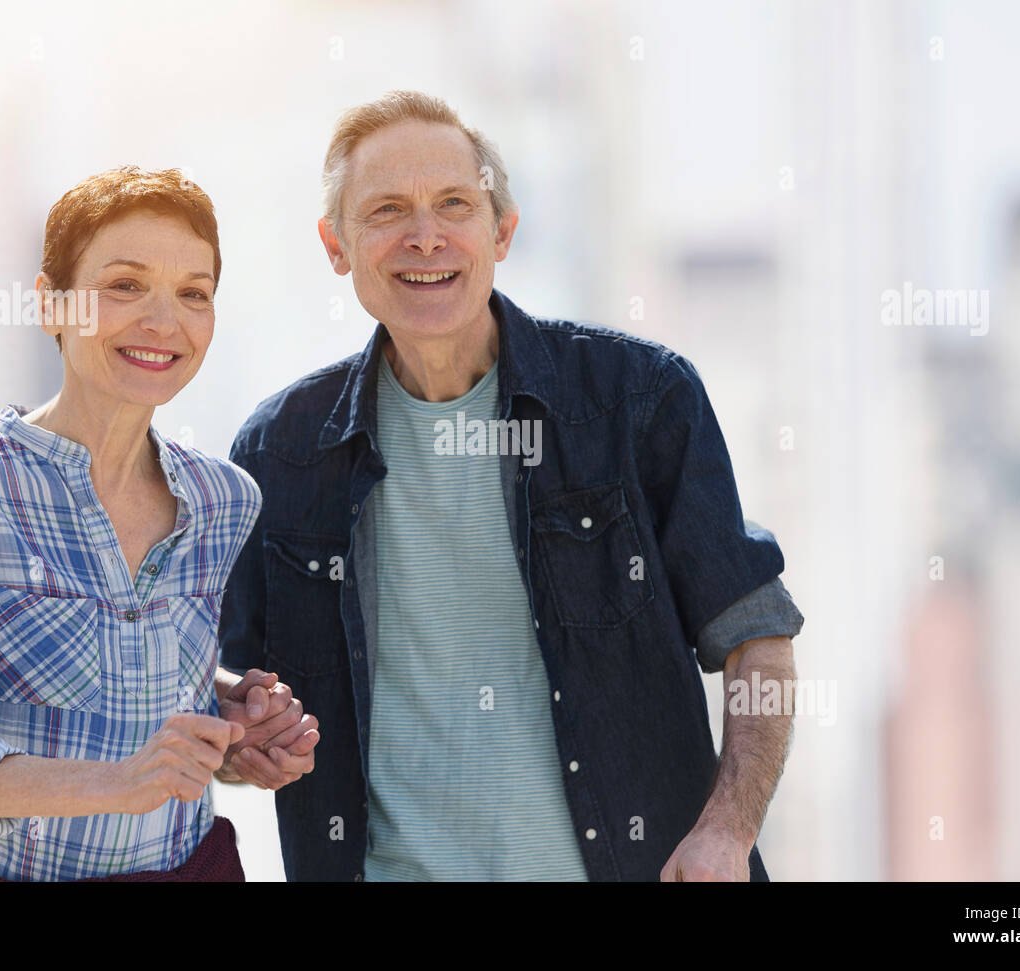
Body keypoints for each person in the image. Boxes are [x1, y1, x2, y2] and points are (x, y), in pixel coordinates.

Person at [218, 92, 805, 881]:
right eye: (387, 209)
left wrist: (727, 830)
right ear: (336, 245)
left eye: (454, 203)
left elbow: (755, 634)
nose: (425, 235)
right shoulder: (278, 451)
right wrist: (245, 740)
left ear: (502, 229)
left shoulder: (635, 400)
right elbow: (228, 706)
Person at [0, 165, 318, 882]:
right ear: (51, 305)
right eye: (124, 286)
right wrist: (120, 781)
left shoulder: (224, 500)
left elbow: (132, 679)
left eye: (193, 294)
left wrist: (232, 724)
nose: (162, 321)